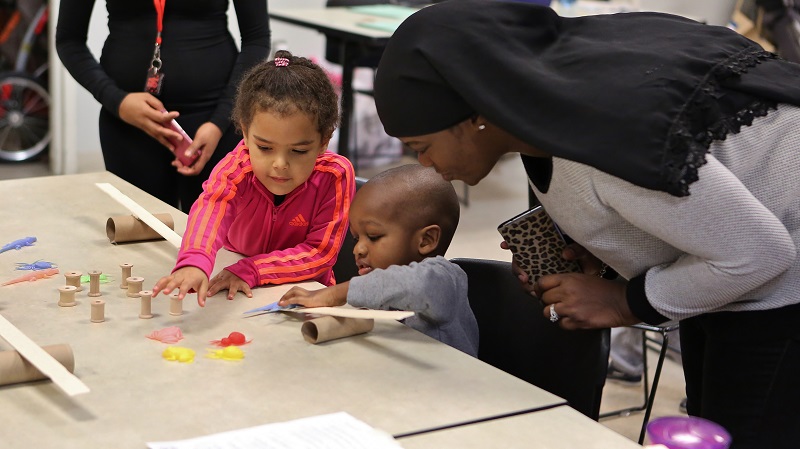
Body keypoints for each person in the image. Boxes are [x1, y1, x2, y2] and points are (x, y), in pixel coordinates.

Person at [370, 1, 800, 447]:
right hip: (739, 279)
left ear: (476, 115)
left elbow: (759, 253)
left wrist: (623, 301)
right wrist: (614, 254)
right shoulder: (546, 113)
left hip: (782, 282)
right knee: (714, 425)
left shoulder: (602, 141)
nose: (425, 164)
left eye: (422, 146)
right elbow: (688, 204)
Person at [152, 51, 356, 308]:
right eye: (265, 148)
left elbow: (320, 253)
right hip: (232, 285)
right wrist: (195, 261)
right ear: (246, 134)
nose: (280, 164)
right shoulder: (236, 168)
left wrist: (251, 269)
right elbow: (211, 208)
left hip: (305, 295)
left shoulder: (334, 175)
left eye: (299, 151)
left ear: (324, 141)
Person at [55, 1, 270, 211]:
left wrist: (221, 119)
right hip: (129, 125)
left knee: (216, 240)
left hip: (216, 121)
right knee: (139, 240)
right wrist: (117, 101)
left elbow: (256, 39)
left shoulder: (219, 122)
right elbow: (68, 41)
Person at [278, 164, 479, 357]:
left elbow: (413, 285)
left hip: (449, 388)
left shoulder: (445, 280)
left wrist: (336, 293)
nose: (358, 249)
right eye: (357, 238)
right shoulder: (379, 284)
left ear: (426, 240)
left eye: (373, 236)